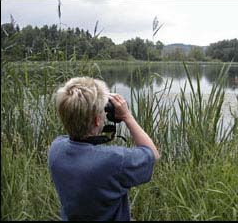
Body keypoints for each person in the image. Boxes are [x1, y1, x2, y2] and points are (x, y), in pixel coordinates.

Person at [48, 76, 160, 221]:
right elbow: (153, 154)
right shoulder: (115, 161)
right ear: (97, 120)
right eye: (102, 111)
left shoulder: (56, 148)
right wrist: (127, 116)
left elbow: (79, 140)